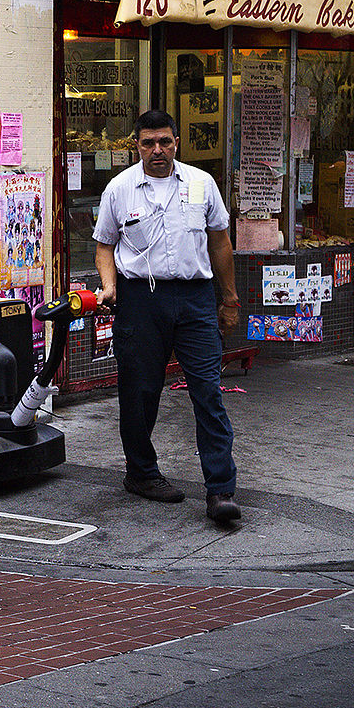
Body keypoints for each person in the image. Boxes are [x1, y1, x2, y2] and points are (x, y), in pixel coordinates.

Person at [94, 109, 242, 524]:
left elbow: (220, 243)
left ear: (177, 142)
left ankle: (220, 489)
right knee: (140, 392)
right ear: (136, 146)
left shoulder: (201, 183)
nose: (157, 150)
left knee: (208, 392)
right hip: (141, 298)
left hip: (195, 298)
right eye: (148, 143)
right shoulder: (120, 189)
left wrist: (227, 299)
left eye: (165, 141)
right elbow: (105, 245)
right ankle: (141, 473)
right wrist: (109, 286)